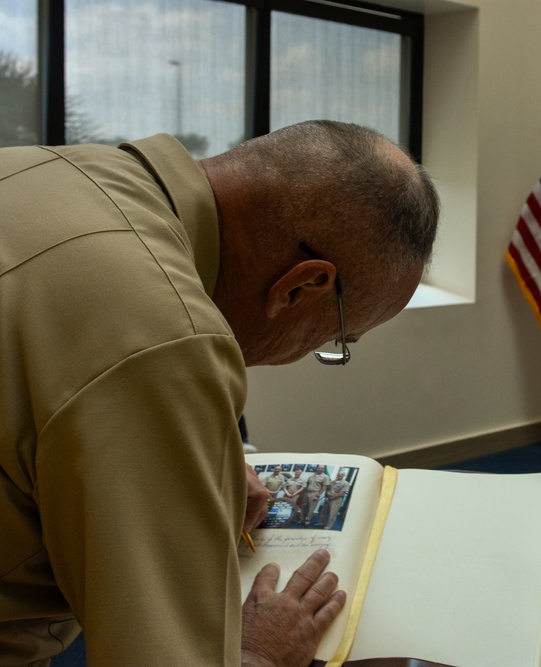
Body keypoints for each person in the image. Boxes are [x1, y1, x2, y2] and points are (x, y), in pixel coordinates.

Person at [0, 119, 440, 665]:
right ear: (301, 285)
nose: (317, 350)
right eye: (337, 337)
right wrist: (260, 652)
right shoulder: (165, 338)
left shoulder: (67, 167)